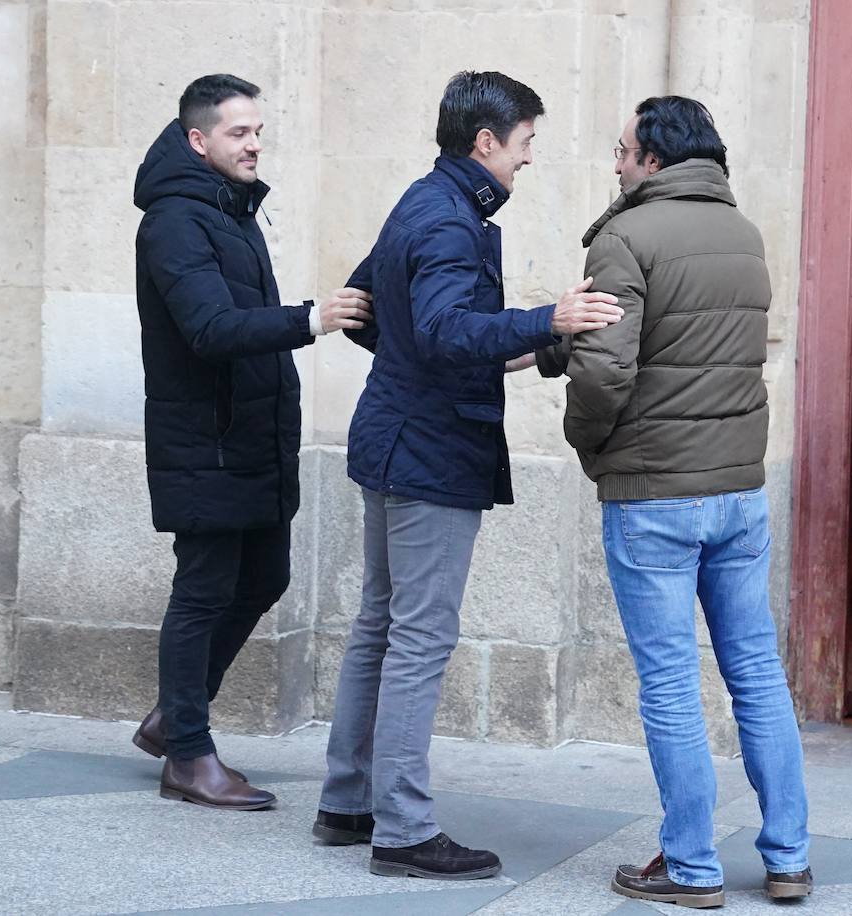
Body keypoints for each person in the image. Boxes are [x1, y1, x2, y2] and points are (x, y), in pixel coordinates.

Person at [313, 70, 623, 880]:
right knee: (418, 636)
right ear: (485, 141)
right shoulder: (453, 220)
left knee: (379, 626)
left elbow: (373, 310)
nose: (527, 162)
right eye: (524, 146)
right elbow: (449, 330)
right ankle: (405, 830)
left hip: (395, 435)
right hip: (428, 453)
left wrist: (533, 348)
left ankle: (347, 802)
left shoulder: (422, 201)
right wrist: (545, 319)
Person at [532, 97, 812, 907]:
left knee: (668, 683)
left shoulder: (626, 236)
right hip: (736, 490)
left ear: (655, 158)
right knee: (757, 673)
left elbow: (607, 370)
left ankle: (690, 867)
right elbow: (689, 344)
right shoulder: (745, 233)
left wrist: (590, 448)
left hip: (654, 493)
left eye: (621, 151)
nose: (614, 163)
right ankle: (790, 857)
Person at [131, 74, 372, 809]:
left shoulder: (228, 210)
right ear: (198, 139)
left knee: (264, 577)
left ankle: (177, 714)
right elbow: (207, 329)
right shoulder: (175, 220)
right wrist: (310, 319)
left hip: (250, 439)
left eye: (258, 131)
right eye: (239, 133)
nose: (255, 144)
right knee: (202, 590)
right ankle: (189, 756)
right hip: (204, 441)